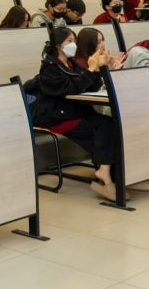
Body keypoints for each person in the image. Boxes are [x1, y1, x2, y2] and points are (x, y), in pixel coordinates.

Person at [31, 26, 118, 200]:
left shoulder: (72, 63)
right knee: (101, 131)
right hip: (57, 116)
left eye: (74, 41)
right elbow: (69, 89)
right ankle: (107, 178)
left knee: (110, 124)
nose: (73, 45)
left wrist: (99, 68)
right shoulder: (49, 68)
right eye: (69, 41)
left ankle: (108, 172)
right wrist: (90, 70)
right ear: (58, 45)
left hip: (75, 111)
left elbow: (90, 86)